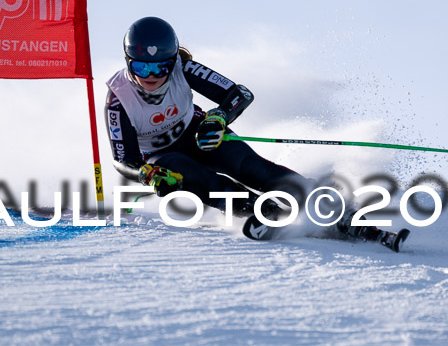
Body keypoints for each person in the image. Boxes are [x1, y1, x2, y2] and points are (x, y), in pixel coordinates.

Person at [103, 16, 311, 217]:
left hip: (200, 136)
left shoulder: (183, 68)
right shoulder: (119, 99)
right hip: (161, 155)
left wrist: (219, 117)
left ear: (173, 60)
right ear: (128, 62)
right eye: (141, 66)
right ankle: (267, 214)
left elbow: (240, 94)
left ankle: (317, 198)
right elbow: (123, 161)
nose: (150, 75)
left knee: (250, 167)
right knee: (201, 179)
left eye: (161, 67)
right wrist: (147, 174)